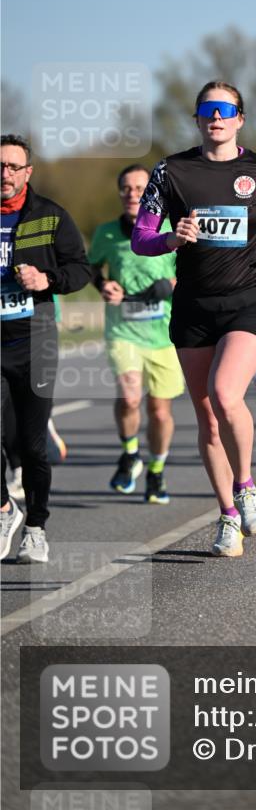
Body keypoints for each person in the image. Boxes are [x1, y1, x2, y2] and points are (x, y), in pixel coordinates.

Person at [131, 81, 256, 557]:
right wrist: (171, 238)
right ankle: (227, 516)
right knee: (206, 415)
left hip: (250, 300)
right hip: (194, 308)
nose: (216, 117)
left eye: (225, 109)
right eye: (208, 110)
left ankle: (246, 487)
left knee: (226, 393)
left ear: (240, 118)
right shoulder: (172, 171)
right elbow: (141, 237)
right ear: (198, 119)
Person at [1, 134, 91, 562]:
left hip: (35, 340)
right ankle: (5, 510)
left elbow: (80, 270)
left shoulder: (49, 216)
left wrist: (46, 279)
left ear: (27, 172)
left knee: (33, 445)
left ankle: (35, 527)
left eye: (13, 167)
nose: (5, 174)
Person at [89, 164, 184, 504]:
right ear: (120, 192)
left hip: (164, 334)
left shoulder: (172, 229)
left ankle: (156, 471)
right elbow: (90, 267)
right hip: (123, 329)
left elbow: (193, 270)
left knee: (159, 411)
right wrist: (103, 285)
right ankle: (130, 453)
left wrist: (171, 284)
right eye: (126, 188)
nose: (133, 194)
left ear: (151, 193)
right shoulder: (106, 233)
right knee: (130, 397)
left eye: (140, 188)